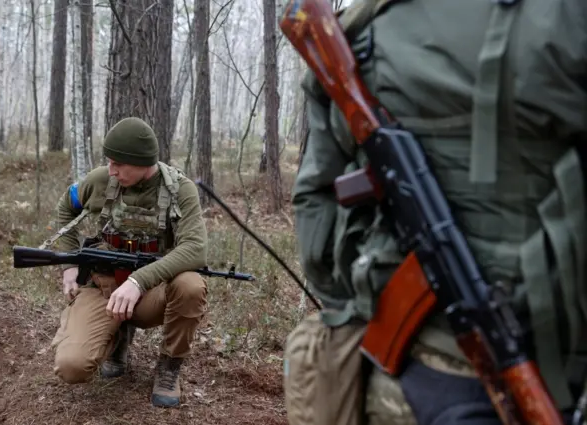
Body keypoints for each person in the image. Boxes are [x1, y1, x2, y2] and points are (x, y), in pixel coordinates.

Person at [284, 0, 587, 424]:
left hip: (393, 388)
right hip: (552, 373)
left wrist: (348, 297)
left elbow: (317, 211)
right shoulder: (569, 21)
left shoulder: (368, 23)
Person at [48, 116, 209, 408]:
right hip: (104, 287)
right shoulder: (100, 181)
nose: (111, 170)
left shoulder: (180, 190)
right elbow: (65, 207)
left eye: (118, 164)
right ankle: (117, 340)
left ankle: (169, 367)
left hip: (152, 293)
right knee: (71, 366)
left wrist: (138, 281)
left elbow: (195, 248)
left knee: (190, 285)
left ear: (142, 163)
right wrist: (69, 266)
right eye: (109, 162)